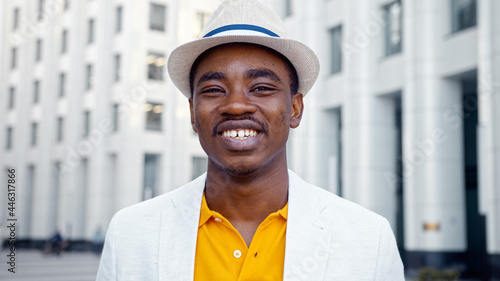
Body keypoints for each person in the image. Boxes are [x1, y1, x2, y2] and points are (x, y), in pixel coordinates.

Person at [96, 0, 404, 280]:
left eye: (261, 88)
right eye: (214, 90)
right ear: (192, 112)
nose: (236, 105)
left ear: (295, 109)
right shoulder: (130, 235)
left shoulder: (368, 241)